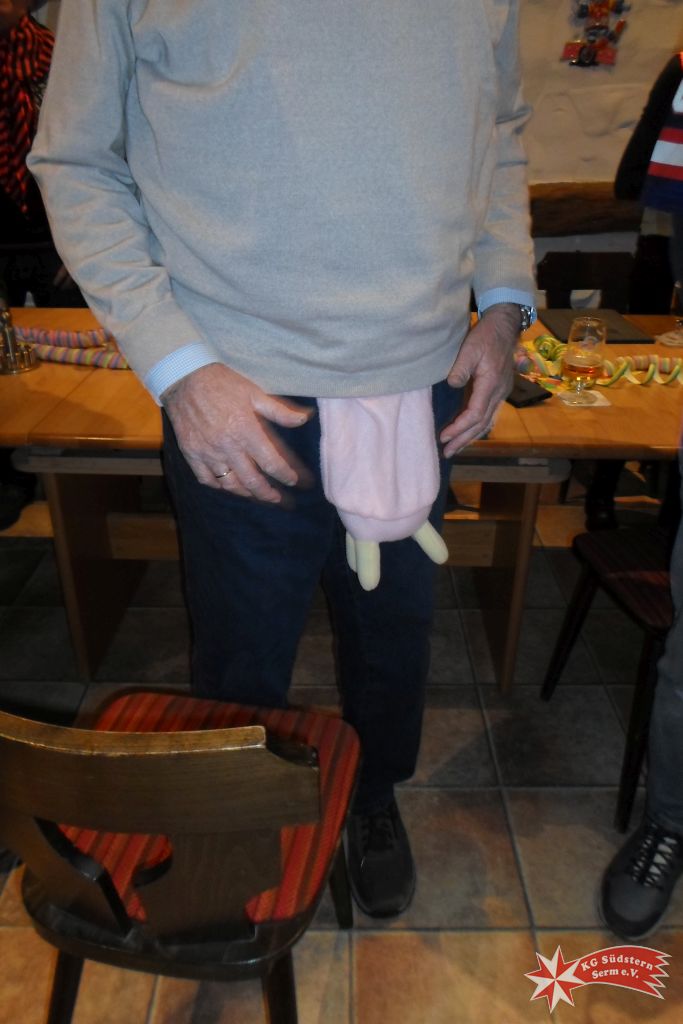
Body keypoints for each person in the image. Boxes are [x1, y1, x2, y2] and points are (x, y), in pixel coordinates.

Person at [28, 0, 536, 918]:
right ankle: (232, 826)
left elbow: (497, 135)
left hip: (418, 383)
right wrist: (179, 368)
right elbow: (76, 161)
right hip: (237, 391)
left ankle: (371, 794)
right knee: (240, 653)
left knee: (394, 633)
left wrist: (504, 304)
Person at [0, 0, 85, 531]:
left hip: (53, 237)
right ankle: (9, 477)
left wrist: (85, 242)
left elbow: (90, 151)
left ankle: (89, 480)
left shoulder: (54, 54)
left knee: (82, 365)